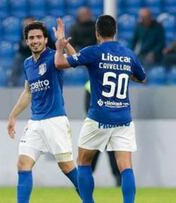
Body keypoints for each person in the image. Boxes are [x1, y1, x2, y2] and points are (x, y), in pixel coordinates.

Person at [54, 15, 146, 203]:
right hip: (123, 119)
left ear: (97, 33)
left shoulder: (94, 52)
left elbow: (60, 63)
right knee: (126, 166)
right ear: (116, 32)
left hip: (99, 117)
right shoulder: (128, 54)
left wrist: (59, 47)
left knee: (83, 161)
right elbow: (142, 78)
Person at [7, 20, 79, 203]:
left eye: (39, 37)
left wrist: (64, 43)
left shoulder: (55, 57)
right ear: (27, 41)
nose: (35, 40)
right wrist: (13, 115)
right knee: (23, 164)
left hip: (55, 120)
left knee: (67, 167)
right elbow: (28, 91)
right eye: (31, 38)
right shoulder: (27, 63)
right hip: (35, 122)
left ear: (46, 40)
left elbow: (77, 58)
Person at [84, 81, 121, 186]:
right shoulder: (90, 85)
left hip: (105, 125)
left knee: (111, 155)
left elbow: (87, 107)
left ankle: (118, 181)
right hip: (101, 125)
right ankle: (86, 182)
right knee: (94, 156)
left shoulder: (90, 84)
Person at [9, 16, 55, 87]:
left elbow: (51, 45)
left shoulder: (43, 31)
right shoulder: (25, 32)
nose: (26, 26)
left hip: (42, 54)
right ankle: (13, 83)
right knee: (18, 58)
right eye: (25, 25)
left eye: (28, 24)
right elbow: (21, 48)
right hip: (27, 54)